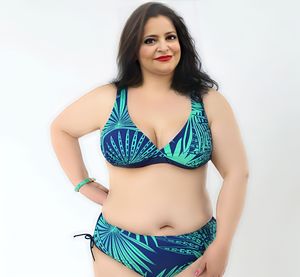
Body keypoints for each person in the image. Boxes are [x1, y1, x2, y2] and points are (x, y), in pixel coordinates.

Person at [50, 2, 249, 277]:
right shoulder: (109, 99)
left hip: (194, 250)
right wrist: (83, 183)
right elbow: (61, 129)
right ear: (133, 48)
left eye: (170, 37)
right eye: (150, 40)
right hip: (118, 250)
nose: (164, 47)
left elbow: (237, 173)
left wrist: (222, 246)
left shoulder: (208, 102)